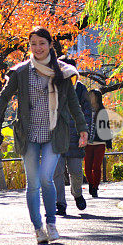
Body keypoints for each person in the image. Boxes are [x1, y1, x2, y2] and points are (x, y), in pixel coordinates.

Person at [0, 26, 88, 243]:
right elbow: (3, 97)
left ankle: (51, 223)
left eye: (42, 43)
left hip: (53, 133)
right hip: (28, 134)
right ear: (29, 46)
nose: (38, 47)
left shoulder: (63, 72)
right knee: (32, 183)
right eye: (33, 43)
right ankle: (38, 228)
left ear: (50, 45)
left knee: (46, 177)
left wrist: (83, 128)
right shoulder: (21, 72)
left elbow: (73, 103)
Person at [52, 56, 91, 215]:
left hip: (76, 137)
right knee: (57, 172)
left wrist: (86, 134)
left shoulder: (81, 89)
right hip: (57, 136)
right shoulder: (53, 87)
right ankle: (60, 203)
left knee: (75, 171)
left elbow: (87, 112)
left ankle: (77, 194)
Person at [85, 89, 112, 198]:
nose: (90, 98)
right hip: (87, 143)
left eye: (92, 96)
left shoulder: (102, 111)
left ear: (97, 98)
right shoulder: (85, 110)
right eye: (89, 96)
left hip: (100, 142)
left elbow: (106, 127)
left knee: (96, 166)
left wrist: (109, 142)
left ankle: (95, 187)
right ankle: (91, 184)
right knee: (87, 168)